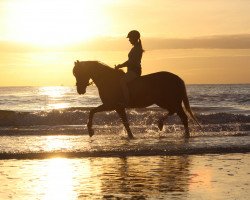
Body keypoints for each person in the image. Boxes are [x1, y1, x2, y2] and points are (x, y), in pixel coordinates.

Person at [115, 30, 144, 105]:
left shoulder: (136, 48)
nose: (129, 40)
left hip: (134, 71)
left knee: (122, 82)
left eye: (130, 38)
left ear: (134, 38)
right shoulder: (135, 47)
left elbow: (131, 62)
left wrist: (120, 66)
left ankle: (126, 101)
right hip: (131, 71)